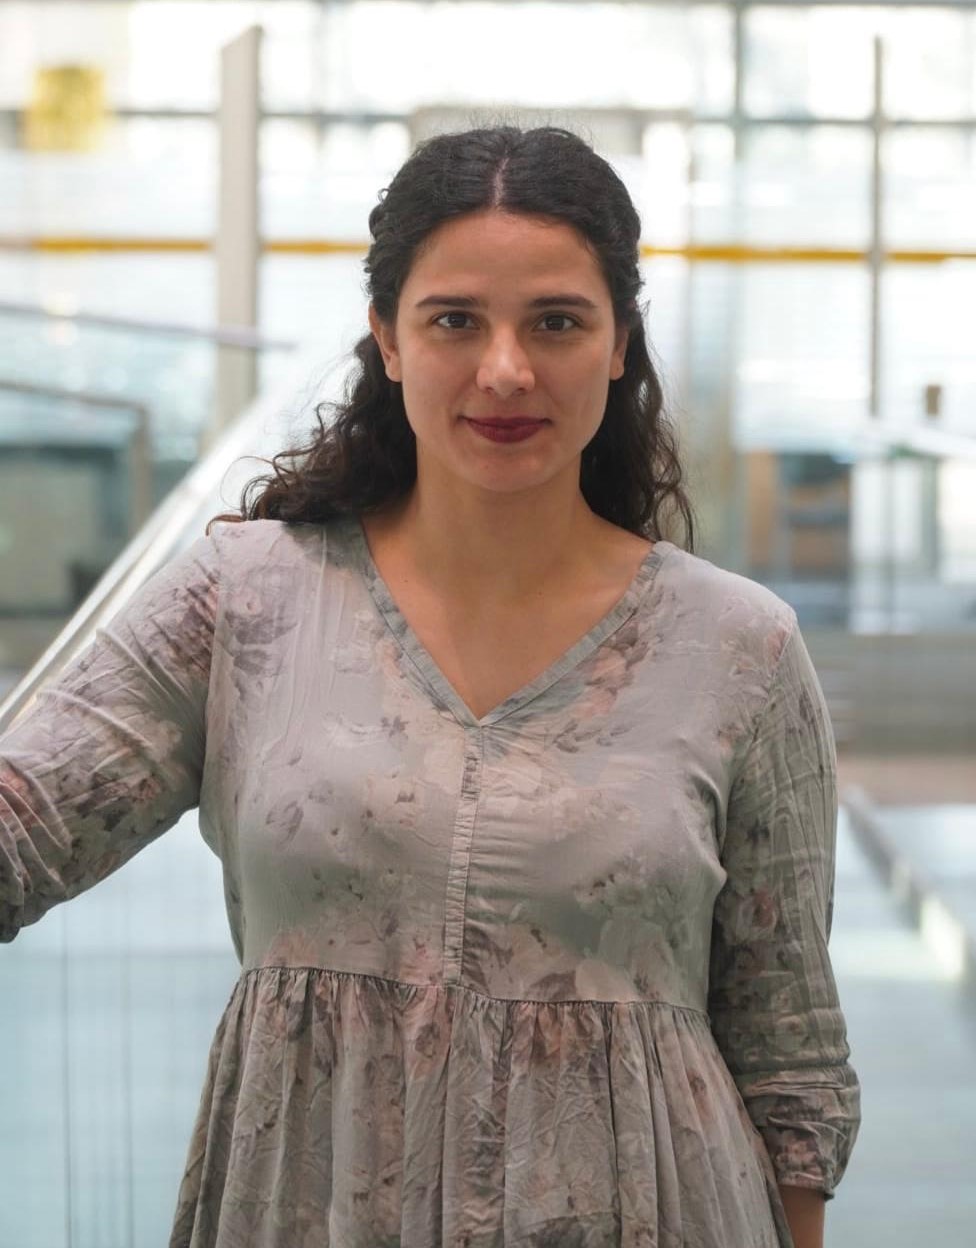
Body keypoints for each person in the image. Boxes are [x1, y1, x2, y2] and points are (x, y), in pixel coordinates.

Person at [0, 125, 860, 1247]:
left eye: (555, 321)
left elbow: (786, 1045)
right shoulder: (248, 598)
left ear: (617, 345)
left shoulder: (736, 644)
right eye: (454, 320)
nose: (504, 369)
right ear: (387, 340)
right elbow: (27, 817)